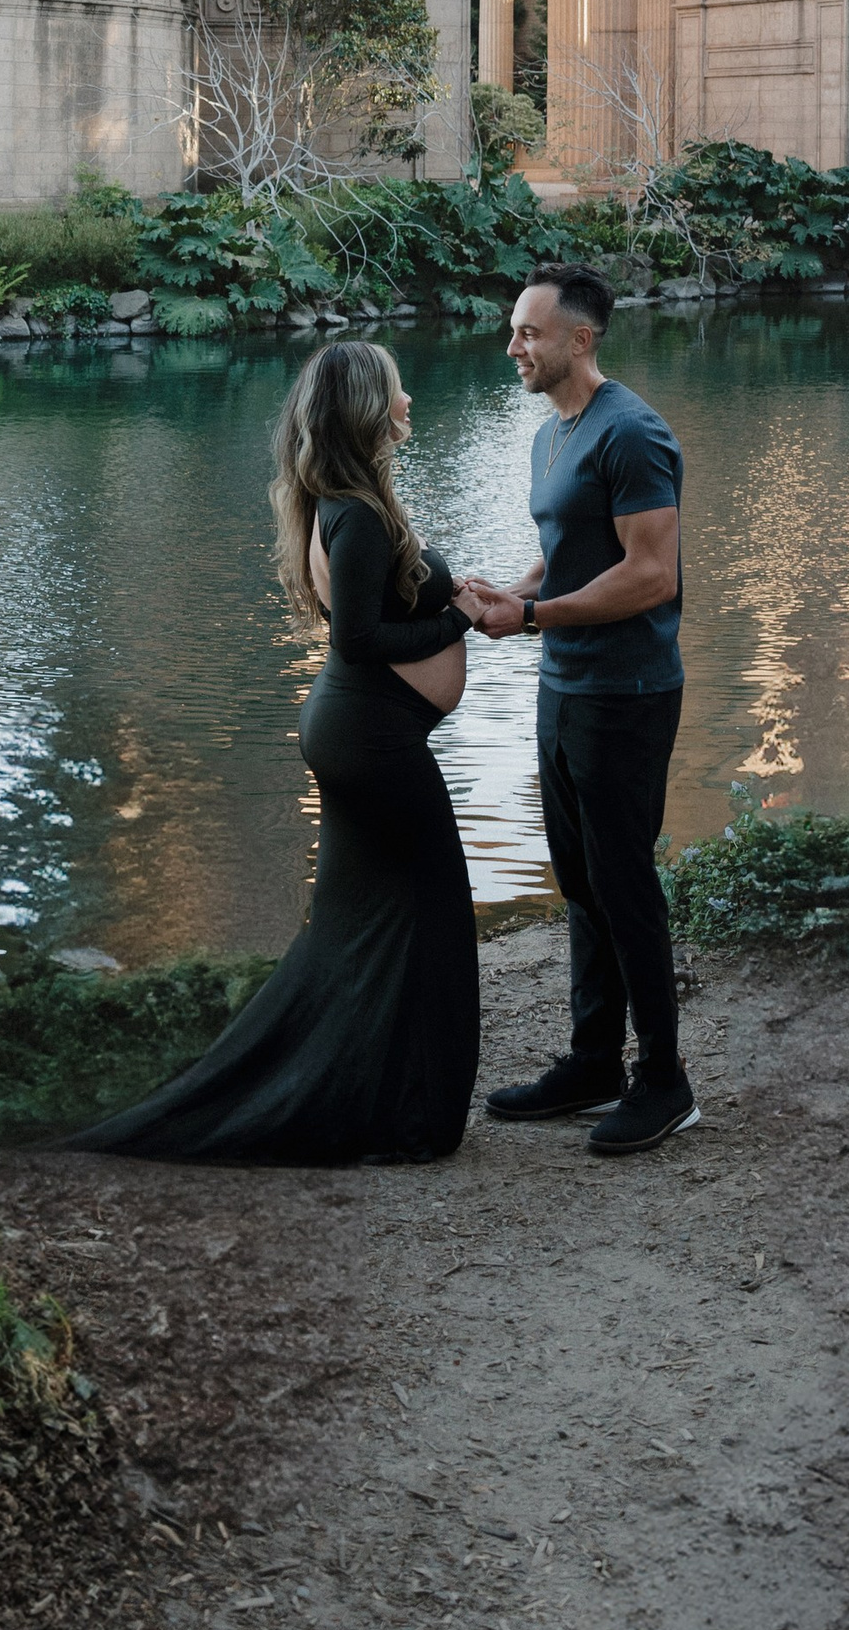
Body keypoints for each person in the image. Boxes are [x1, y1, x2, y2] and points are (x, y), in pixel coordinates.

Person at [75, 339, 480, 1165]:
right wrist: (460, 619)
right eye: (399, 391)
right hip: (371, 741)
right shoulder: (358, 515)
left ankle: (362, 1095)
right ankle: (406, 1115)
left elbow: (368, 622)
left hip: (357, 735)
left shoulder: (343, 501)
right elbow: (363, 639)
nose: (409, 402)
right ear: (370, 408)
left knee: (355, 932)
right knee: (433, 917)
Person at [458, 269, 697, 1155]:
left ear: (580, 340)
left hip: (627, 693)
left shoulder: (632, 432)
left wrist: (530, 616)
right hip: (563, 685)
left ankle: (664, 1081)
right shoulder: (553, 435)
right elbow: (567, 549)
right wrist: (511, 589)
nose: (512, 346)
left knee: (624, 883)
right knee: (582, 879)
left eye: (527, 332)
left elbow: (649, 573)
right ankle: (594, 1061)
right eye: (514, 331)